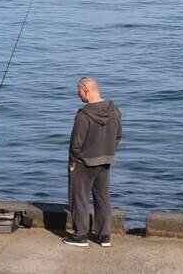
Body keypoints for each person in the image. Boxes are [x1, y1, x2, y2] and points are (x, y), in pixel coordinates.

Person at [63, 77, 122, 248]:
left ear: (86, 91)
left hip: (84, 162)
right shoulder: (114, 110)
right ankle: (104, 236)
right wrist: (108, 151)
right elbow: (118, 136)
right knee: (103, 199)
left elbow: (76, 144)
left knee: (79, 198)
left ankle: (80, 235)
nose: (78, 95)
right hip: (105, 160)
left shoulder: (84, 115)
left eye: (79, 91)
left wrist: (72, 163)